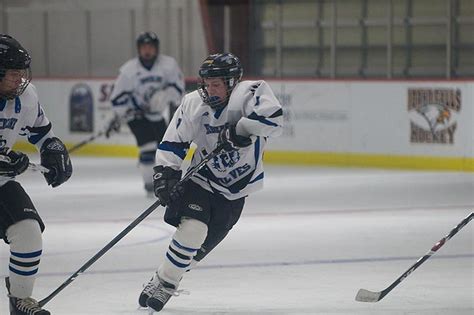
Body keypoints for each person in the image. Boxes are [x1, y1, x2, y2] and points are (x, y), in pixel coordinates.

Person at [138, 52, 283, 312]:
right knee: (192, 230)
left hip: (237, 189)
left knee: (195, 252)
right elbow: (173, 143)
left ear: (232, 82)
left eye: (216, 84)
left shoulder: (250, 94)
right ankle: (168, 284)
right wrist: (166, 175)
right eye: (206, 83)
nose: (209, 90)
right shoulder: (194, 103)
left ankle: (162, 277)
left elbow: (274, 120)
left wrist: (242, 129)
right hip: (202, 180)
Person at [0, 34, 73, 315]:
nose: (20, 79)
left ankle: (20, 299)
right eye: (14, 73)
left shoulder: (25, 97)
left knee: (29, 233)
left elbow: (42, 133)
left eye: (22, 73)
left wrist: (53, 150)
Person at [106, 31, 185, 196]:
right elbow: (117, 99)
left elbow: (177, 89)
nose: (147, 50)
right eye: (144, 47)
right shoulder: (129, 70)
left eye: (150, 46)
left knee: (164, 148)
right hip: (136, 116)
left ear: (156, 48)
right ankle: (150, 185)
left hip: (156, 115)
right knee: (148, 147)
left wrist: (163, 96)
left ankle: (158, 176)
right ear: (139, 49)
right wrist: (127, 110)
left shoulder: (168, 65)